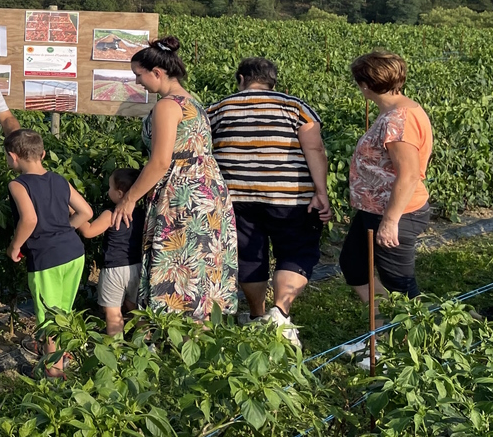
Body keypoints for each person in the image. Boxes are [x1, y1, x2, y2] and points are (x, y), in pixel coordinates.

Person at [112, 37, 238, 321]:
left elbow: (160, 161)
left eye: (139, 75)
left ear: (156, 72)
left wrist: (129, 199)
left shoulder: (167, 106)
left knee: (179, 261)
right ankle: (202, 332)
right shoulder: (192, 100)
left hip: (183, 193)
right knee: (201, 264)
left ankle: (175, 334)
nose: (138, 82)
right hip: (207, 188)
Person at [206, 57, 330, 345]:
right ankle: (281, 312)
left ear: (241, 79)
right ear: (274, 81)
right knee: (296, 250)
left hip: (237, 195)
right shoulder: (295, 107)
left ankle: (257, 315)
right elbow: (314, 147)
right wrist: (320, 191)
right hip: (289, 196)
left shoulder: (219, 108)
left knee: (250, 255)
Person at [338, 52, 433, 310]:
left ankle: (417, 340)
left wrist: (391, 221)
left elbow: (410, 174)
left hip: (396, 212)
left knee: (400, 285)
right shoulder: (395, 111)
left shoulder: (398, 121)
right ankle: (382, 328)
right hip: (374, 208)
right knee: (354, 266)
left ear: (365, 86)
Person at [5, 128, 94, 374]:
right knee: (63, 311)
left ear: (13, 157)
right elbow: (86, 212)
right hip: (74, 253)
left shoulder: (18, 184)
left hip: (46, 258)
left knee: (47, 316)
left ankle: (53, 373)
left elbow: (29, 220)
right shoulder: (59, 179)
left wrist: (15, 246)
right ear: (43, 154)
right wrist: (64, 230)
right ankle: (62, 358)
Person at [80, 167, 146, 335]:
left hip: (114, 270)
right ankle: (144, 344)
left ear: (119, 193)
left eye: (110, 187)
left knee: (113, 314)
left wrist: (76, 212)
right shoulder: (144, 213)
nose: (108, 190)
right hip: (137, 267)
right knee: (134, 309)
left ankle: (116, 352)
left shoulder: (111, 214)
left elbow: (88, 231)